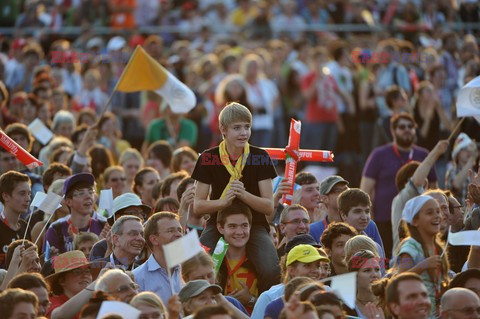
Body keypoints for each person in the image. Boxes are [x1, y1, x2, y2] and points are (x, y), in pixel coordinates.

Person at [192, 102, 280, 294]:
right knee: (201, 266)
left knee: (271, 269)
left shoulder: (260, 156)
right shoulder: (209, 157)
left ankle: (261, 309)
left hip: (254, 225)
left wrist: (244, 195)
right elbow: (197, 206)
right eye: (237, 127)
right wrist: (223, 203)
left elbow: (268, 207)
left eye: (247, 127)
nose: (244, 133)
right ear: (223, 129)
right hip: (219, 225)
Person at [361, 113, 437, 257]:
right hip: (383, 220)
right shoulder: (379, 154)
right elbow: (365, 190)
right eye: (402, 127)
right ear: (393, 131)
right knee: (385, 258)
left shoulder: (424, 155)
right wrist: (369, 220)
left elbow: (434, 188)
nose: (407, 130)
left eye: (411, 127)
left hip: (417, 221)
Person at [391, 140, 449, 255]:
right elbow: (417, 181)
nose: (426, 188)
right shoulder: (403, 198)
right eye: (424, 183)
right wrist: (436, 151)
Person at [396, 196, 449, 318]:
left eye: (438, 211)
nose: (437, 216)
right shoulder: (410, 246)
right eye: (430, 213)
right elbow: (399, 280)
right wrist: (424, 265)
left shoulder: (438, 247)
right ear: (415, 221)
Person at [309, 176, 382, 249]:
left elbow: (380, 256)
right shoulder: (313, 230)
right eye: (338, 191)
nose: (345, 193)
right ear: (325, 198)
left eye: (346, 189)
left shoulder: (368, 225)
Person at [45, 173, 106, 254]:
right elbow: (47, 263)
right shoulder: (56, 229)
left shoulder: (104, 226)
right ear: (69, 202)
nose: (88, 196)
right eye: (81, 193)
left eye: (91, 192)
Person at [132, 212, 183, 305]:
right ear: (154, 239)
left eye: (179, 230)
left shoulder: (190, 269)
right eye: (170, 231)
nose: (178, 234)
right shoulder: (138, 278)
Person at [217, 199, 258, 312]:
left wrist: (250, 299)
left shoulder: (261, 264)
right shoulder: (213, 262)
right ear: (220, 228)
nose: (239, 232)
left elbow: (272, 307)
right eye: (232, 226)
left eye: (244, 225)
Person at [181, 251, 249, 316]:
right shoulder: (179, 310)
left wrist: (225, 303)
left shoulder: (231, 302)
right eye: (200, 278)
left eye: (210, 276)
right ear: (185, 279)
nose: (207, 281)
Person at [89, 192, 151, 261]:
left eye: (142, 214)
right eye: (133, 213)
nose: (140, 217)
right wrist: (110, 249)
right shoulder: (101, 247)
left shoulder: (147, 245)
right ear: (118, 218)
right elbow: (98, 271)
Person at [45, 250, 100, 317]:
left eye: (87, 271)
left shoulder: (95, 303)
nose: (84, 275)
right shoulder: (53, 302)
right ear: (62, 280)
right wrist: (98, 282)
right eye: (77, 272)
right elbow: (58, 316)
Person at [338, 188, 385, 257]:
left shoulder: (376, 247)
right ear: (343, 215)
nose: (364, 217)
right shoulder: (337, 247)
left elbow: (382, 266)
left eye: (367, 211)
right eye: (357, 212)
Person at [0, 171, 31, 269]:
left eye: (29, 194)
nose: (28, 199)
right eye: (22, 194)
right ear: (5, 196)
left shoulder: (25, 226)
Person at [346, 250, 383, 318]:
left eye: (377, 269)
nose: (374, 275)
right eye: (367, 270)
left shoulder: (389, 304)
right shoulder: (346, 308)